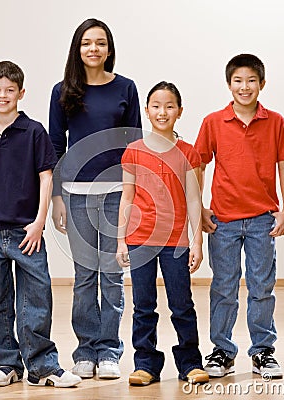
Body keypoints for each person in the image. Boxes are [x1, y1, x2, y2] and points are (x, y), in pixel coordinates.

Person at [0, 61, 81, 388]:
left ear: (21, 93)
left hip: (26, 231)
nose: (3, 96)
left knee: (36, 299)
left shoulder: (34, 132)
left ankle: (43, 366)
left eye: (10, 90)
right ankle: (6, 363)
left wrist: (39, 221)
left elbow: (46, 178)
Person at [49, 18, 142, 379]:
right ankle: (85, 350)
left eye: (100, 43)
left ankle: (109, 352)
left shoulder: (126, 88)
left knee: (114, 276)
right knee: (85, 275)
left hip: (117, 193)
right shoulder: (62, 90)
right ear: (78, 48)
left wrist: (135, 196)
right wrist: (56, 195)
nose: (94, 49)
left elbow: (134, 144)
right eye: (87, 43)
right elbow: (56, 145)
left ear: (109, 49)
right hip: (76, 195)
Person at [194, 54, 284, 379]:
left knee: (262, 286)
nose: (244, 86)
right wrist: (201, 209)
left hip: (263, 218)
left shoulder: (275, 121)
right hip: (222, 220)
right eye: (238, 80)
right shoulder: (214, 121)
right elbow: (199, 164)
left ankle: (263, 351)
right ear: (228, 84)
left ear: (262, 84)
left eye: (251, 80)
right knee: (223, 286)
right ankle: (222, 351)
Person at [116, 81, 209, 386]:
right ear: (146, 111)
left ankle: (190, 362)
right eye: (156, 105)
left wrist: (197, 241)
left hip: (176, 242)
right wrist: (120, 240)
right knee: (143, 305)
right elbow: (127, 198)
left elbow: (194, 199)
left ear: (180, 111)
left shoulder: (188, 152)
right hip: (140, 238)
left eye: (170, 106)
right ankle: (145, 363)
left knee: (181, 304)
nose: (162, 111)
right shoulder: (133, 152)